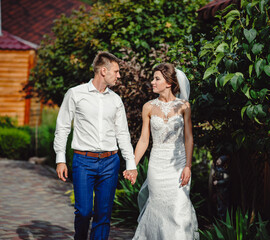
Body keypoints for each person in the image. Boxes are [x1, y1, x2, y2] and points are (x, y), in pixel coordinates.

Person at [54, 51, 138, 240]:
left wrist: (130, 164)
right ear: (103, 71)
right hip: (83, 161)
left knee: (103, 214)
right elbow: (62, 128)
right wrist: (60, 159)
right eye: (116, 71)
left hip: (110, 162)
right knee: (84, 211)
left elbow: (123, 134)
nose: (119, 76)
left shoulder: (116, 100)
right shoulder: (76, 94)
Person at [123, 63, 199, 239]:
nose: (152, 82)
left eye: (157, 78)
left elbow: (189, 138)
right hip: (157, 165)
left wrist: (188, 165)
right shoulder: (148, 107)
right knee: (158, 209)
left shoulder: (184, 106)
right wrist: (132, 165)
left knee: (180, 207)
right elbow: (144, 140)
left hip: (178, 164)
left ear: (169, 82)